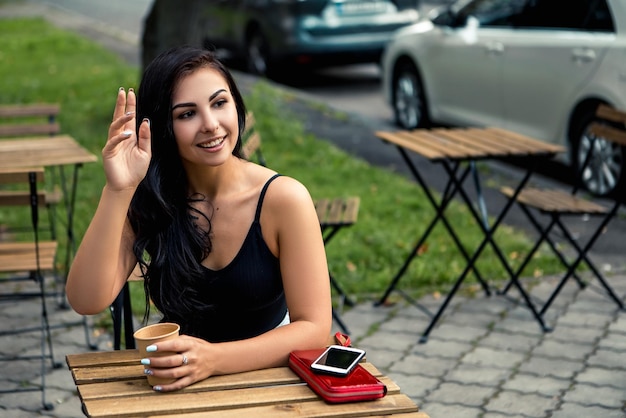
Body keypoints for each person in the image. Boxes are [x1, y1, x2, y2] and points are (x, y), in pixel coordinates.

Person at [66, 45, 332, 392]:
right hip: (178, 381)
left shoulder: (283, 199)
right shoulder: (151, 198)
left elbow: (314, 329)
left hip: (268, 380)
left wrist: (212, 359)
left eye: (219, 103)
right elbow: (85, 300)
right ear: (163, 127)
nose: (210, 125)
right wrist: (118, 190)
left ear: (236, 105)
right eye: (186, 114)